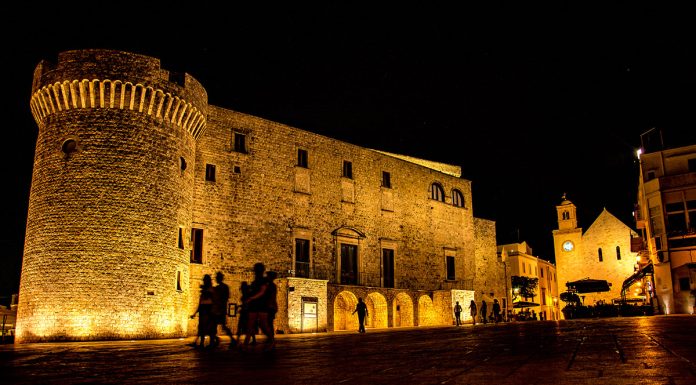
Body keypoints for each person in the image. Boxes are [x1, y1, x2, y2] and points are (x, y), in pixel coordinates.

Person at [243, 262, 275, 351]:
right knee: (250, 324)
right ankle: (245, 344)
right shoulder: (256, 281)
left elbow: (262, 291)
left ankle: (272, 341)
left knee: (263, 325)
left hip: (261, 304)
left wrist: (251, 298)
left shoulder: (263, 280)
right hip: (255, 304)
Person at [190, 274, 215, 349]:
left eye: (204, 280)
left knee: (206, 326)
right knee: (201, 326)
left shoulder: (210, 290)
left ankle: (206, 342)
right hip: (204, 309)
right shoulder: (207, 290)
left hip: (207, 309)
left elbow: (209, 300)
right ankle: (201, 342)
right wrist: (195, 312)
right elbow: (200, 302)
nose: (203, 281)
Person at [212, 271, 234, 348]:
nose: (216, 279)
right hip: (219, 309)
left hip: (220, 309)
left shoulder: (222, 287)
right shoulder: (221, 287)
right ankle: (216, 339)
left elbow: (223, 298)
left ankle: (216, 340)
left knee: (220, 326)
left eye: (217, 278)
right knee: (217, 326)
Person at [235, 281, 255, 345]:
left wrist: (241, 307)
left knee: (242, 326)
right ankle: (253, 340)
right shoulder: (246, 294)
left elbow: (247, 303)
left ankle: (238, 341)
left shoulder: (246, 295)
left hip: (246, 312)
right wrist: (240, 306)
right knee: (245, 326)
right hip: (245, 312)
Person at [266, 271, 279, 337]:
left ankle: (271, 337)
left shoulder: (271, 286)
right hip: (272, 306)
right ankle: (271, 336)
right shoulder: (272, 285)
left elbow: (271, 297)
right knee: (269, 322)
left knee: (269, 322)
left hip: (270, 307)